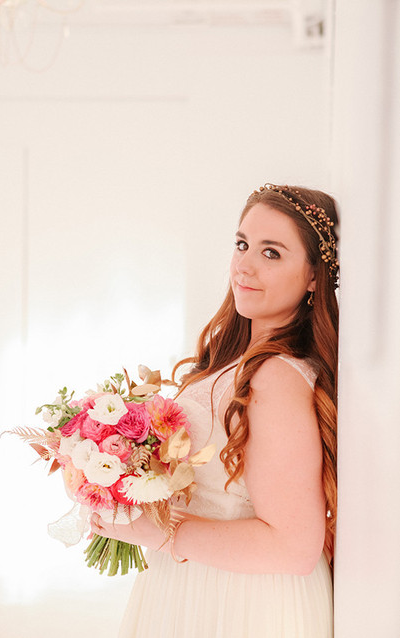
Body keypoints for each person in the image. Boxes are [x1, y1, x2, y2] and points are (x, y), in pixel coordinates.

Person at [91, 183, 339, 638]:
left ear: (313, 277)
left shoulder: (277, 378)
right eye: (242, 244)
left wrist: (157, 532)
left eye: (271, 253)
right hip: (197, 581)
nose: (244, 265)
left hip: (243, 603)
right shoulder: (233, 363)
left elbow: (294, 547)